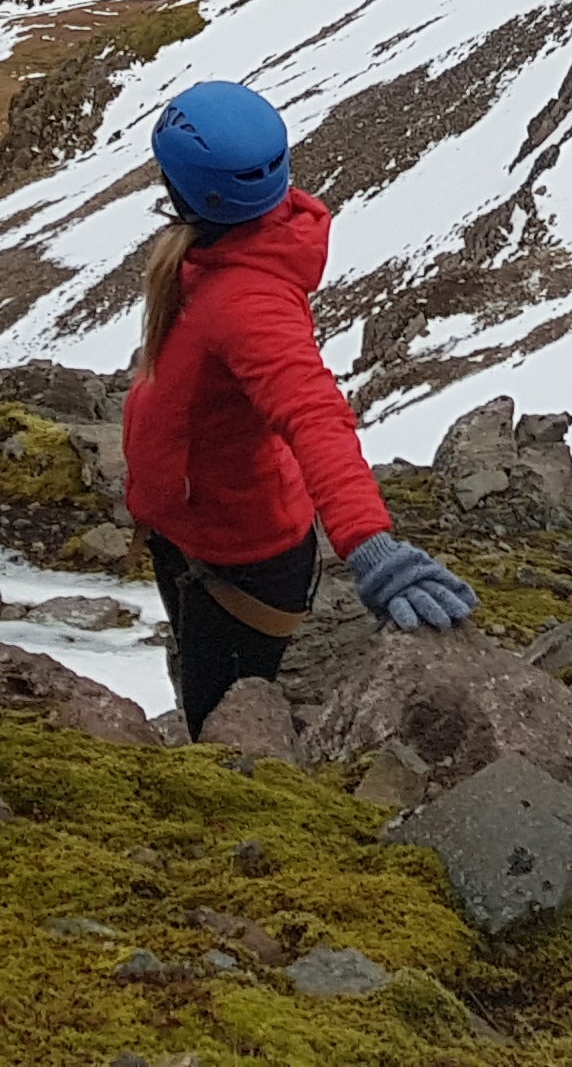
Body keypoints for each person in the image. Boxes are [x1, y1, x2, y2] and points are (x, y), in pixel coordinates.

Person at [120, 78, 476, 732]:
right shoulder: (222, 255)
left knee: (220, 724)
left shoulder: (246, 300)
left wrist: (370, 545)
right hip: (197, 537)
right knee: (204, 680)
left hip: (236, 557)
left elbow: (313, 415)